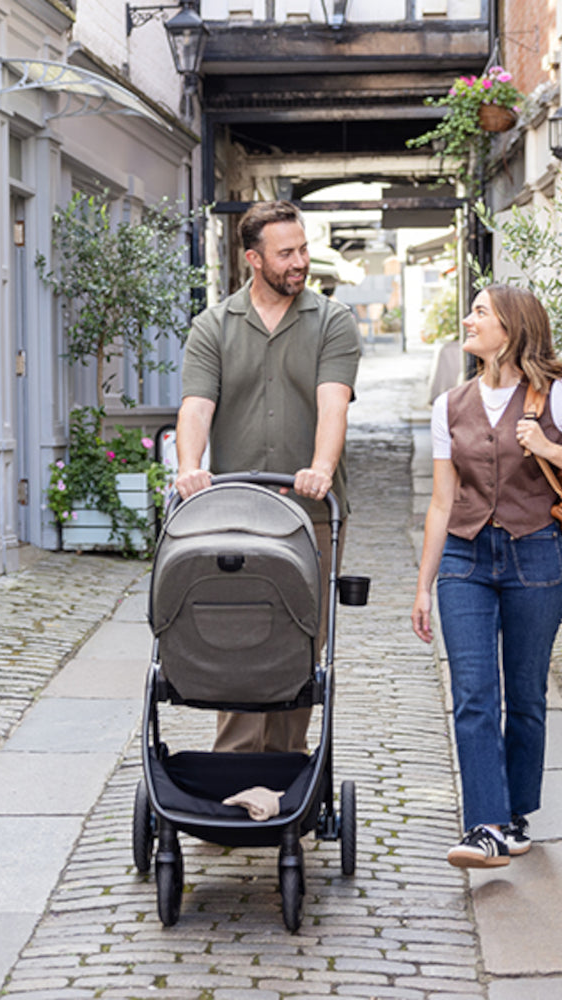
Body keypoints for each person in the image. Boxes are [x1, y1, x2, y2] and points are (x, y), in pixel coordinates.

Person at [411, 284, 562, 869]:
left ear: (512, 326)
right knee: (473, 694)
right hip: (465, 558)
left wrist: (550, 449)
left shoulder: (560, 396)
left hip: (536, 558)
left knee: (525, 695)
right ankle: (484, 825)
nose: (468, 318)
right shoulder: (450, 406)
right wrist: (425, 584)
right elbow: (440, 502)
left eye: (481, 311)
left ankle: (516, 812)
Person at [175, 200, 361, 754]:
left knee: (301, 638)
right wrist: (190, 468)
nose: (300, 262)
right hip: (236, 511)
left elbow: (334, 407)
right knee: (238, 631)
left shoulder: (332, 322)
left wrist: (321, 469)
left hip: (312, 512)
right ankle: (233, 765)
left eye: (303, 249)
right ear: (254, 259)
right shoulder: (213, 326)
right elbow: (195, 407)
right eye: (287, 253)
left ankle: (287, 768)